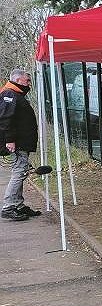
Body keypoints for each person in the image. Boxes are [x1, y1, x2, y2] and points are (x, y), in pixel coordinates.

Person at [0, 69, 41, 221]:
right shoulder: (9, 94)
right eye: (27, 81)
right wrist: (10, 140)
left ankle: (18, 204)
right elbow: (6, 119)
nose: (29, 84)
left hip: (22, 141)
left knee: (21, 171)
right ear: (18, 80)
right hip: (18, 142)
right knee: (19, 172)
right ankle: (9, 206)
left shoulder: (15, 94)